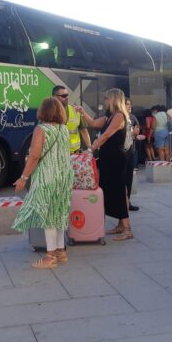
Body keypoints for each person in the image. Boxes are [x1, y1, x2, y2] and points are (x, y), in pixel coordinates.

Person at [12, 97, 74, 269]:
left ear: (43, 111)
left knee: (48, 216)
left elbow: (34, 155)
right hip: (64, 177)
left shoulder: (41, 129)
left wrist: (23, 178)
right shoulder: (63, 129)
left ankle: (50, 257)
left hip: (48, 176)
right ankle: (61, 252)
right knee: (59, 213)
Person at [75, 88, 133, 240]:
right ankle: (120, 225)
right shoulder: (109, 116)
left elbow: (107, 134)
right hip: (108, 157)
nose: (105, 101)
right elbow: (94, 123)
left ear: (113, 99)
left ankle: (127, 229)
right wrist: (82, 112)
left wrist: (92, 148)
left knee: (119, 191)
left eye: (107, 98)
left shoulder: (119, 116)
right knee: (110, 190)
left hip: (116, 158)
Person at [53, 85, 91, 154]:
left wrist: (89, 148)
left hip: (74, 154)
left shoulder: (75, 110)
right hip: (57, 154)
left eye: (67, 95)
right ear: (54, 97)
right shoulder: (48, 113)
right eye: (64, 96)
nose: (67, 98)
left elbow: (84, 130)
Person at [125, 98, 141, 211]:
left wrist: (136, 135)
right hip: (121, 152)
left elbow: (137, 130)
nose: (129, 106)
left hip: (131, 150)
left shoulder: (133, 118)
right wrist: (133, 133)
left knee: (129, 179)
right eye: (127, 104)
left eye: (130, 104)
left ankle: (128, 202)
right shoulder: (119, 117)